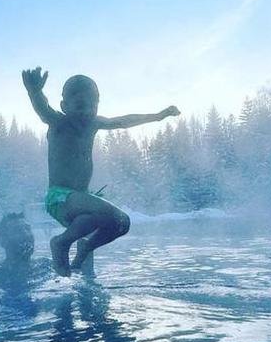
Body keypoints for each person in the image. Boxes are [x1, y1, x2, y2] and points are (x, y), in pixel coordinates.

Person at [22, 66, 180, 276]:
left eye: (92, 105)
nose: (87, 111)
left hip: (82, 200)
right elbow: (43, 110)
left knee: (122, 222)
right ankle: (60, 242)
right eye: (80, 105)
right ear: (64, 106)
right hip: (60, 197)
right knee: (106, 213)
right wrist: (34, 92)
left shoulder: (93, 124)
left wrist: (158, 116)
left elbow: (124, 121)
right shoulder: (59, 122)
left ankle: (86, 247)